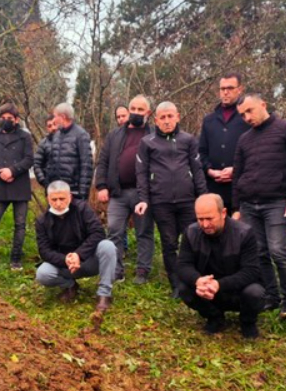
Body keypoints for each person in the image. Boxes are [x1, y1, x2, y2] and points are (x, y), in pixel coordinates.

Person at [232, 93, 286, 321]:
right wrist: (236, 207)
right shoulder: (244, 139)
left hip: (276, 202)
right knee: (259, 253)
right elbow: (238, 174)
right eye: (242, 114)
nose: (246, 117)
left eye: (249, 111)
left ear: (263, 105)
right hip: (249, 205)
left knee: (278, 251)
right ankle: (271, 296)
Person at [135, 101, 207, 298]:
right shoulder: (147, 143)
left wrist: (204, 196)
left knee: (193, 240)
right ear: (156, 120)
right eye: (162, 118)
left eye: (170, 116)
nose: (167, 121)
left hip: (187, 201)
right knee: (169, 243)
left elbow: (197, 169)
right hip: (161, 202)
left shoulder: (189, 140)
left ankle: (194, 281)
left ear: (177, 116)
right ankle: (176, 285)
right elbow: (141, 173)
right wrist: (143, 199)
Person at [177, 194, 264, 338]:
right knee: (184, 288)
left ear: (223, 213)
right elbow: (182, 265)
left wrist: (219, 284)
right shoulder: (191, 232)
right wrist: (198, 280)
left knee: (255, 292)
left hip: (237, 290)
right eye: (200, 219)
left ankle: (248, 321)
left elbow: (251, 271)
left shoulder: (244, 233)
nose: (205, 225)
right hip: (207, 291)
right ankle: (215, 317)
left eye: (209, 219)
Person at [96, 95, 156, 284]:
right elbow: (103, 160)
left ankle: (142, 270)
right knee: (114, 230)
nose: (136, 113)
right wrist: (101, 185)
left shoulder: (154, 134)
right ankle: (116, 270)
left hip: (143, 193)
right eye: (133, 109)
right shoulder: (115, 135)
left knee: (144, 231)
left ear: (148, 113)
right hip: (118, 192)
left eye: (141, 110)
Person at [35, 180, 115, 312]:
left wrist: (79, 254)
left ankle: (104, 293)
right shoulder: (42, 220)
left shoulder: (82, 209)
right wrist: (65, 259)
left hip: (89, 260)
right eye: (54, 199)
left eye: (62, 198)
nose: (58, 203)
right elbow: (44, 250)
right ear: (48, 199)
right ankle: (70, 285)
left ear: (70, 197)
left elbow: (98, 232)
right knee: (43, 274)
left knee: (108, 246)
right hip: (65, 264)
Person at [0, 103, 34, 271]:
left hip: (20, 186)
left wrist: (12, 170)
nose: (6, 121)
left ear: (16, 120)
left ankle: (15, 260)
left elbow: (29, 159)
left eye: (9, 118)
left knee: (20, 225)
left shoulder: (25, 137)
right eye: (3, 118)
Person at [198, 72, 250, 212]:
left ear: (240, 89)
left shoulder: (248, 118)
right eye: (222, 89)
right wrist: (209, 170)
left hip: (242, 188)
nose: (226, 92)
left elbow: (255, 152)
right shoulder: (209, 120)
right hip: (214, 189)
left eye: (230, 88)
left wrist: (235, 169)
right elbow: (201, 152)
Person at [41, 103, 93, 201]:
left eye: (55, 116)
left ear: (63, 117)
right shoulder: (56, 135)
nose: (54, 120)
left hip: (74, 192)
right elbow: (50, 164)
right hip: (56, 190)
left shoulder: (81, 135)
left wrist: (83, 193)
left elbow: (86, 165)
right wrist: (48, 187)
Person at [33, 114, 59, 190]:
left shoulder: (70, 141)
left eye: (55, 124)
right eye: (50, 126)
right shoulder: (43, 144)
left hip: (69, 185)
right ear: (47, 128)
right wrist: (44, 181)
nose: (53, 128)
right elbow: (37, 164)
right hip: (51, 185)